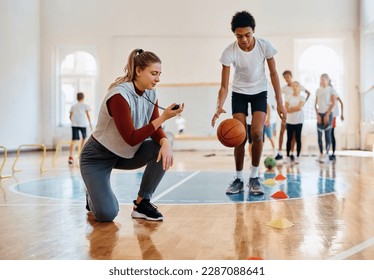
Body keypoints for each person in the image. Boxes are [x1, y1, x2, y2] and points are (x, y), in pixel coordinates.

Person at [79, 49, 184, 222]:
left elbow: (155, 128)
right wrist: (164, 117)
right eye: (154, 73)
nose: (158, 79)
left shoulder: (151, 93)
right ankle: (91, 195)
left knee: (162, 147)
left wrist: (165, 142)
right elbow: (131, 138)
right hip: (96, 157)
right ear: (138, 71)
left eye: (159, 74)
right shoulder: (119, 96)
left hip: (124, 155)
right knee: (107, 214)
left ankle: (142, 204)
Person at [211, 11, 286, 195]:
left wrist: (280, 102)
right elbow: (224, 85)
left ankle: (254, 177)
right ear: (234, 35)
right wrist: (219, 105)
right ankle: (238, 178)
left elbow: (274, 74)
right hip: (239, 94)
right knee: (240, 136)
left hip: (259, 92)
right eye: (239, 36)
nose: (243, 39)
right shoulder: (229, 52)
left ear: (253, 32)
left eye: (247, 35)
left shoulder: (264, 46)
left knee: (258, 133)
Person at [275, 70, 311, 161]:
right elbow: (278, 95)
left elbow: (308, 93)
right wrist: (281, 105)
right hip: (287, 115)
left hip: (297, 117)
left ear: (291, 76)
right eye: (285, 78)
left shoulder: (298, 87)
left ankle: (292, 153)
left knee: (295, 136)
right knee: (283, 132)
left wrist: (302, 104)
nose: (286, 79)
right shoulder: (284, 88)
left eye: (288, 77)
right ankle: (280, 152)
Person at [315, 73, 336, 163]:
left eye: (323, 79)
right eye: (320, 79)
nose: (321, 81)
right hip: (320, 114)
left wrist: (327, 115)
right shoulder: (318, 90)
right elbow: (315, 104)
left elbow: (333, 103)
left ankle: (327, 155)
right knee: (319, 135)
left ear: (327, 80)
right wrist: (318, 115)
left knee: (328, 135)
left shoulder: (331, 90)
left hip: (328, 114)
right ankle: (321, 153)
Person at [68, 92, 93, 165]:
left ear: (77, 98)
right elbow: (88, 116)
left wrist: (73, 122)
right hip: (82, 124)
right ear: (83, 98)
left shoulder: (73, 106)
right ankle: (81, 154)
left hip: (74, 124)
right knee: (84, 138)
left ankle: (71, 157)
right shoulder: (85, 106)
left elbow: (70, 116)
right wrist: (90, 125)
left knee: (74, 140)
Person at [284, 81, 305, 164]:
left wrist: (290, 109)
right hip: (289, 121)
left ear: (299, 88)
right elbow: (286, 109)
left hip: (299, 121)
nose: (295, 87)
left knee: (298, 138)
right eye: (293, 86)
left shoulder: (301, 97)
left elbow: (299, 108)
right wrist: (292, 108)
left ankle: (297, 156)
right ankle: (288, 156)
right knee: (289, 139)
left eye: (296, 86)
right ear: (291, 88)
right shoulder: (288, 97)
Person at [331, 94, 344, 160]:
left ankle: (333, 153)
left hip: (332, 116)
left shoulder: (334, 94)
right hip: (327, 116)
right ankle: (329, 153)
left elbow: (341, 102)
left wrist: (342, 114)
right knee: (329, 135)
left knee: (331, 134)